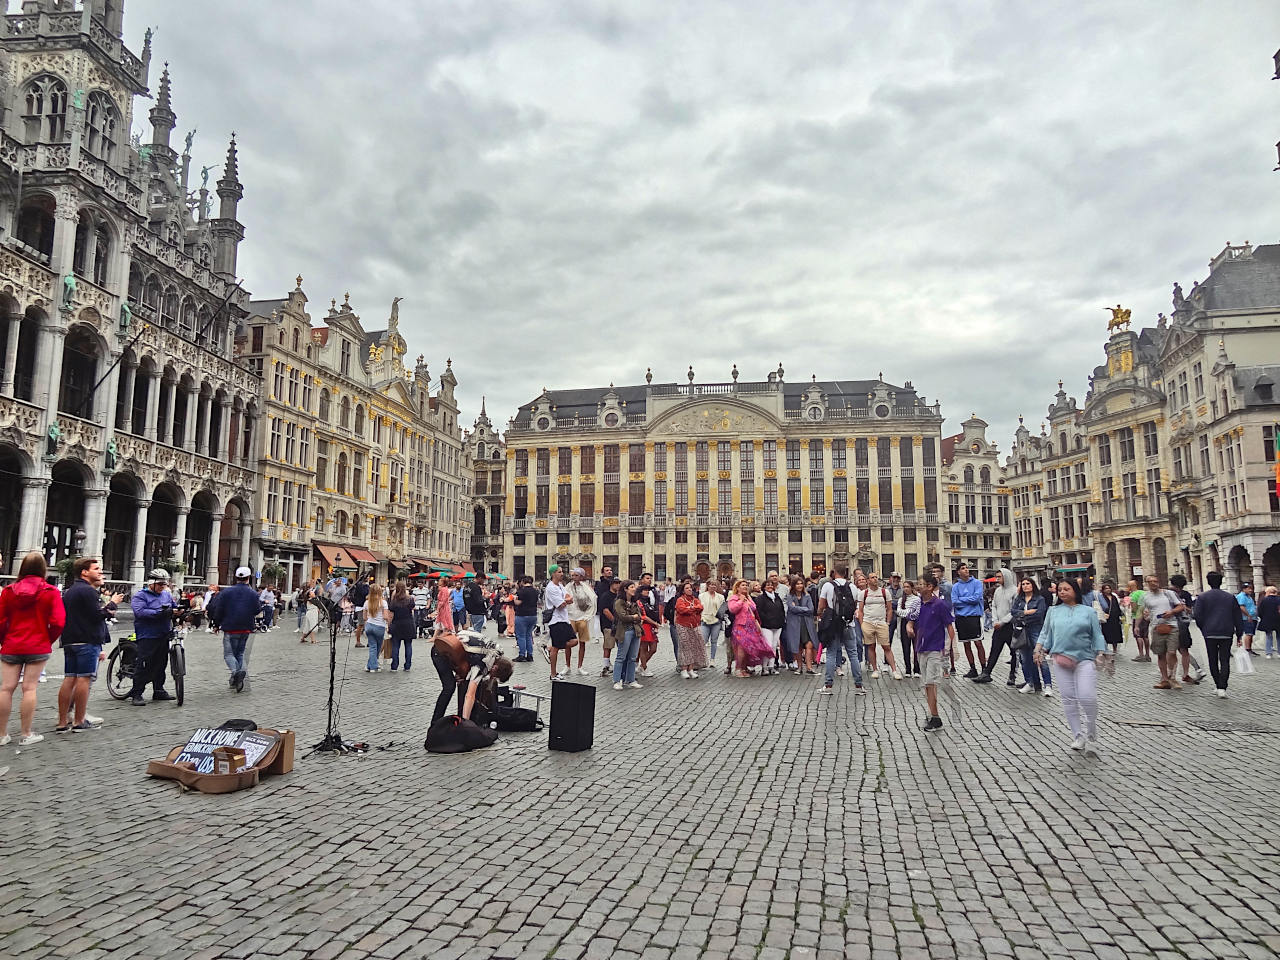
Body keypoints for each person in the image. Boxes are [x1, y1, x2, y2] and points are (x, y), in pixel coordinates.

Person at [0, 552, 66, 745]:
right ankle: (26, 733)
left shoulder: (8, 591)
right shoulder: (51, 591)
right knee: (29, 688)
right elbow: (58, 622)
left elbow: (1, 620)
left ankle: (2, 734)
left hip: (12, 644)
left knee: (6, 688)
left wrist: (4, 639)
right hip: (38, 644)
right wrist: (48, 639)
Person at [1035, 579, 1107, 755]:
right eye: (1059, 589)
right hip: (1060, 658)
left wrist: (1101, 652)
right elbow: (1046, 633)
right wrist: (1039, 649)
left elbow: (1097, 634)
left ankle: (1090, 722)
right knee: (1068, 699)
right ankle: (1077, 735)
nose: (1062, 592)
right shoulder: (1053, 611)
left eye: (1066, 589)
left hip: (1085, 659)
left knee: (1087, 696)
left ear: (1075, 591)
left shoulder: (1088, 611)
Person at [56, 557, 120, 732]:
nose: (100, 571)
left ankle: (62, 721)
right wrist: (113, 603)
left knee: (70, 678)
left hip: (70, 640)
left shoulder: (70, 591)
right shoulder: (88, 591)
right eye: (96, 568)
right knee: (84, 678)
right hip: (87, 640)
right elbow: (97, 615)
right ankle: (79, 720)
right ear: (84, 572)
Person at [911, 571, 956, 731]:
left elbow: (949, 626)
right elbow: (911, 620)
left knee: (931, 682)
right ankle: (932, 713)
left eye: (921, 584)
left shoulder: (939, 605)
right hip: (921, 647)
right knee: (926, 684)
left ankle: (936, 717)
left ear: (930, 587)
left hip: (935, 648)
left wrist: (952, 649)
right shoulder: (918, 604)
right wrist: (910, 627)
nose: (918, 586)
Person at [126, 569, 178, 705]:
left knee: (161, 663)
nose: (163, 587)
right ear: (151, 583)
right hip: (147, 634)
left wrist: (179, 610)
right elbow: (140, 612)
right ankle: (137, 693)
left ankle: (159, 690)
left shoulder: (166, 595)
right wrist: (159, 612)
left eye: (164, 584)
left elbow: (173, 607)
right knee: (144, 664)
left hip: (163, 633)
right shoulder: (141, 596)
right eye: (160, 584)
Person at [207, 566, 261, 692]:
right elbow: (257, 609)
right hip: (246, 628)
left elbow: (219, 609)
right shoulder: (253, 593)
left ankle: (236, 671)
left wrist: (216, 624)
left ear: (236, 578)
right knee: (240, 653)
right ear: (249, 578)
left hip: (230, 627)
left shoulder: (226, 592)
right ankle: (239, 674)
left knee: (229, 654)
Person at [1193, 571, 1244, 698]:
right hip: (1226, 632)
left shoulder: (1203, 597)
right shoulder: (1230, 597)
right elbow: (1237, 616)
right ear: (1221, 582)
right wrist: (1239, 634)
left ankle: (1218, 684)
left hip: (1209, 632)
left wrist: (1204, 628)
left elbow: (1197, 616)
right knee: (1225, 660)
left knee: (1213, 659)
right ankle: (1222, 686)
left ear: (1208, 582)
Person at [816, 563, 866, 695]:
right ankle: (859, 685)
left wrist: (822, 615)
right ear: (846, 573)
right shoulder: (852, 586)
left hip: (833, 624)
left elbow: (821, 605)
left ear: (834, 572)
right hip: (849, 624)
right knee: (853, 654)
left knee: (831, 653)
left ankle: (828, 686)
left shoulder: (828, 585)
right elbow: (854, 605)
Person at [1143, 575, 1187, 690]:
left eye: (1155, 581)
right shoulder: (1146, 597)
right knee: (1160, 654)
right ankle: (1164, 680)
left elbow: (1181, 607)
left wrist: (1171, 612)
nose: (1153, 583)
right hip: (1156, 627)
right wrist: (1144, 617)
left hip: (1172, 626)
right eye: (1151, 581)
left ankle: (1172, 676)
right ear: (1147, 583)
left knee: (1171, 652)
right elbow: (1146, 611)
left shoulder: (1168, 593)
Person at [974, 568, 1017, 685]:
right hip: (998, 626)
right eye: (997, 577)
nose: (997, 579)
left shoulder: (1015, 591)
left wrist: (1002, 621)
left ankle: (1013, 674)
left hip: (1010, 626)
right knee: (994, 650)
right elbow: (994, 606)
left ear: (1006, 577)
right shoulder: (997, 591)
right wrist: (995, 620)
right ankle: (987, 673)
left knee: (1014, 652)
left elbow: (1014, 610)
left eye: (1000, 577)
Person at [859, 571, 902, 680]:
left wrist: (887, 622)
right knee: (871, 646)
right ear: (868, 581)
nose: (875, 579)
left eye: (876, 577)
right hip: (868, 622)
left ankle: (894, 670)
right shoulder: (864, 593)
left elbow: (889, 609)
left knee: (886, 646)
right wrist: (862, 624)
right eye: (872, 577)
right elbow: (860, 610)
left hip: (881, 622)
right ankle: (875, 669)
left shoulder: (884, 592)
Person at [1012, 576, 1051, 695]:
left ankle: (1047, 685)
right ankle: (1030, 682)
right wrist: (1026, 612)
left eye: (1027, 583)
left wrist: (1023, 615)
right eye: (1023, 584)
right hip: (1022, 630)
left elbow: (1039, 614)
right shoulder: (1019, 599)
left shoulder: (1039, 599)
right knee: (1025, 658)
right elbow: (1013, 612)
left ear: (1033, 585)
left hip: (1035, 629)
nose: (1025, 586)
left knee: (1040, 657)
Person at [727, 579, 773, 678]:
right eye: (743, 585)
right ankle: (738, 668)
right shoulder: (734, 597)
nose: (745, 587)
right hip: (740, 626)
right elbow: (732, 609)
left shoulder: (749, 598)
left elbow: (754, 608)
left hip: (751, 626)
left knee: (748, 648)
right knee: (741, 648)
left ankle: (744, 668)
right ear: (737, 587)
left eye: (746, 585)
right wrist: (740, 600)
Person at [949, 562, 986, 678]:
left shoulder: (977, 583)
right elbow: (954, 601)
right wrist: (967, 601)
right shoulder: (955, 586)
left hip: (974, 617)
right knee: (966, 644)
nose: (966, 570)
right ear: (958, 572)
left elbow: (976, 598)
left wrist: (962, 600)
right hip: (961, 618)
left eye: (967, 568)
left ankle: (984, 668)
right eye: (963, 568)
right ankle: (972, 668)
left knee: (978, 643)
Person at [543, 565, 577, 681]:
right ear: (553, 574)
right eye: (559, 572)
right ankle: (553, 674)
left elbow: (569, 599)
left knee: (574, 641)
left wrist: (566, 600)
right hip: (555, 620)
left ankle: (549, 648)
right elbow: (560, 604)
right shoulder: (551, 588)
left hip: (564, 619)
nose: (562, 574)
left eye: (562, 572)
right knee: (557, 648)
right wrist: (566, 600)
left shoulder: (561, 586)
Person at [1168, 574, 1203, 685]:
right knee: (1171, 650)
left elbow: (1189, 610)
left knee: (1184, 650)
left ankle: (1185, 674)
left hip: (1182, 625)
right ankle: (1171, 675)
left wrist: (1183, 606)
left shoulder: (1186, 595)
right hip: (1170, 624)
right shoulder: (1167, 594)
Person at [611, 581, 643, 690]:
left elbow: (639, 616)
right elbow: (622, 616)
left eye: (634, 587)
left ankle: (630, 679)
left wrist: (634, 617)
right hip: (624, 631)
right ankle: (617, 680)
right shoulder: (619, 602)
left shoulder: (634, 602)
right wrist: (633, 617)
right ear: (625, 589)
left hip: (636, 631)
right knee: (621, 657)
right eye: (632, 587)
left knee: (632, 657)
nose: (634, 589)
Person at [673, 581, 708, 678]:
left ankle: (691, 668)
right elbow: (682, 610)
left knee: (694, 646)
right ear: (683, 591)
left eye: (690, 588)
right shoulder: (680, 599)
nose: (689, 590)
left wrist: (691, 608)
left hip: (695, 625)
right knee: (685, 646)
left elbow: (700, 607)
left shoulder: (695, 599)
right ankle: (684, 669)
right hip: (683, 625)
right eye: (687, 588)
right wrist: (693, 609)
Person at [784, 574, 817, 674]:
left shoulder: (807, 596)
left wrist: (799, 609)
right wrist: (804, 609)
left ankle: (809, 667)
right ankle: (799, 667)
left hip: (807, 623)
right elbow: (791, 608)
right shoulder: (790, 596)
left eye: (801, 584)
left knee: (809, 645)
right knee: (797, 645)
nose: (799, 586)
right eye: (797, 584)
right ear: (794, 585)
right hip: (794, 624)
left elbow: (811, 610)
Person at [566, 568, 596, 677]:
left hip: (582, 617)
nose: (574, 577)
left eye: (576, 575)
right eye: (573, 575)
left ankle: (580, 666)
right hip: (571, 616)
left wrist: (588, 615)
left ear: (581, 577)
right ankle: (567, 666)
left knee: (582, 642)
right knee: (568, 641)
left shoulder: (586, 588)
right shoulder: (568, 586)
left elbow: (592, 600)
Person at [755, 571, 786, 674]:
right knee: (767, 646)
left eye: (771, 585)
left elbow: (781, 610)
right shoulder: (761, 598)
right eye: (767, 585)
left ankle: (771, 666)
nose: (770, 586)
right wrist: (767, 619)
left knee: (774, 646)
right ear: (764, 587)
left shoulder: (777, 597)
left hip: (778, 625)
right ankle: (764, 667)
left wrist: (781, 620)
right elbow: (759, 612)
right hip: (766, 626)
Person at [362, 583, 391, 673]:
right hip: (379, 626)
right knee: (377, 647)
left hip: (369, 625)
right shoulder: (383, 603)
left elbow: (364, 617)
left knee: (372, 647)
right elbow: (386, 616)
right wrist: (388, 623)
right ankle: (373, 666)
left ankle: (369, 665)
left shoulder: (367, 602)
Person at [636, 579, 662, 677]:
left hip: (651, 626)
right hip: (644, 625)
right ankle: (644, 667)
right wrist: (655, 623)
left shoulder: (650, 601)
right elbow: (643, 616)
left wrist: (656, 623)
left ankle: (642, 665)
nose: (647, 592)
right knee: (643, 648)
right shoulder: (639, 602)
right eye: (645, 590)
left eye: (648, 590)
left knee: (653, 648)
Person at [388, 582, 416, 671]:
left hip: (397, 624)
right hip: (408, 623)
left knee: (395, 645)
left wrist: (389, 625)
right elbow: (412, 611)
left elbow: (391, 615)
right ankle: (407, 666)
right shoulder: (410, 599)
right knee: (408, 645)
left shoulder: (394, 601)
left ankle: (394, 666)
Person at [895, 580, 920, 678]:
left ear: (912, 588)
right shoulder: (901, 600)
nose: (906, 589)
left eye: (908, 587)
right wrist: (908, 612)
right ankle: (908, 669)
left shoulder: (917, 599)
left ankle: (917, 669)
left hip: (915, 623)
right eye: (904, 587)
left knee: (916, 647)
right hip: (903, 623)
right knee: (906, 647)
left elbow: (917, 612)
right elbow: (899, 612)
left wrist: (908, 613)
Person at [511, 575, 539, 662]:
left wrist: (514, 599)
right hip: (533, 615)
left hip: (522, 615)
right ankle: (530, 655)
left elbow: (518, 602)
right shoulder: (535, 591)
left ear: (523, 582)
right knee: (529, 635)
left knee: (521, 636)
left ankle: (522, 654)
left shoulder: (521, 591)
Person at [598, 578, 622, 676]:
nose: (618, 585)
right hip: (608, 625)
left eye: (619, 583)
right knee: (608, 646)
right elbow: (605, 610)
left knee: (621, 645)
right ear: (611, 585)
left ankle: (619, 666)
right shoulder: (606, 596)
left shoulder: (619, 596)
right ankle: (605, 666)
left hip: (620, 625)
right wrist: (614, 621)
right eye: (615, 583)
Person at [699, 579, 726, 663]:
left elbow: (723, 609)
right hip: (705, 620)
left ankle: (712, 659)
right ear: (708, 586)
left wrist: (720, 618)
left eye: (715, 585)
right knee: (703, 640)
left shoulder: (721, 597)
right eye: (711, 584)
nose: (713, 586)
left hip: (716, 621)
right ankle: (703, 659)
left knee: (714, 641)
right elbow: (699, 608)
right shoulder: (701, 596)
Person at [1098, 582, 1123, 655]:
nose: (1108, 590)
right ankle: (1106, 648)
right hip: (1106, 617)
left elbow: (1117, 606)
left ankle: (1115, 649)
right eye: (1106, 588)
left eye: (1109, 588)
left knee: (1115, 633)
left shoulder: (1114, 597)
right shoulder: (1101, 597)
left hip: (1115, 618)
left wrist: (1120, 614)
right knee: (1106, 632)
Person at [1127, 578, 1149, 662]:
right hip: (1146, 616)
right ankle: (1147, 655)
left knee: (1138, 636)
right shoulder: (1144, 593)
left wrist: (1128, 609)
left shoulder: (1132, 595)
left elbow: (1134, 608)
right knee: (1146, 636)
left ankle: (1141, 654)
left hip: (1137, 617)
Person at [1236, 582, 1258, 656]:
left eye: (1251, 588)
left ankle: (1250, 649)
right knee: (1248, 633)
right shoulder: (1241, 596)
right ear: (1244, 589)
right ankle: (1247, 649)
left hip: (1252, 617)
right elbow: (1241, 607)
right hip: (1246, 618)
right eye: (1249, 589)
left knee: (1251, 633)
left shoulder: (1249, 596)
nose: (1251, 590)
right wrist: (1248, 615)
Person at [1258, 585, 1280, 659]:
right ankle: (1279, 653)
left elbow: (1260, 611)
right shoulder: (1279, 599)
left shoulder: (1264, 600)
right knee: (1279, 637)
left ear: (1268, 592)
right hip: (1278, 620)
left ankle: (1268, 653)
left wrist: (1263, 617)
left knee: (1268, 636)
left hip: (1267, 620)